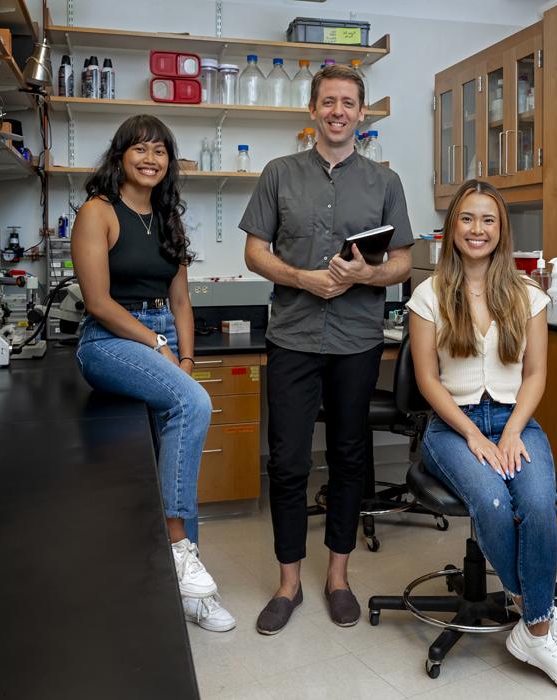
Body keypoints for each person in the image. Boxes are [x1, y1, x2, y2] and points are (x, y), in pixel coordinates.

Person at [240, 64, 413, 634]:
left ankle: (338, 577)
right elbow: (255, 253)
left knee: (348, 458)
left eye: (349, 103)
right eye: (329, 101)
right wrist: (302, 278)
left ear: (362, 114)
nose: (338, 111)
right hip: (291, 335)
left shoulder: (384, 183)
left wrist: (365, 276)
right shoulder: (279, 174)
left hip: (356, 341)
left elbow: (404, 263)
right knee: (287, 462)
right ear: (313, 110)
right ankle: (288, 584)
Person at [407, 179, 557, 695]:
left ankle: (531, 623)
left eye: (488, 220)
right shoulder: (428, 294)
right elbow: (427, 380)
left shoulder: (528, 295)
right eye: (467, 218)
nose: (477, 229)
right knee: (491, 501)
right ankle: (537, 622)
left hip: (515, 421)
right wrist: (473, 436)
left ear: (501, 230)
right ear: (453, 227)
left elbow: (535, 375)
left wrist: (511, 432)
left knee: (536, 503)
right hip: (452, 426)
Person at [73, 114, 236, 633]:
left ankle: (187, 587)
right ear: (120, 156)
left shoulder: (167, 217)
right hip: (109, 341)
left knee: (178, 429)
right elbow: (98, 303)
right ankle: (179, 550)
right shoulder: (98, 213)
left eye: (160, 151)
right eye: (140, 149)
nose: (150, 158)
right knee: (194, 404)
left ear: (169, 162)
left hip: (162, 336)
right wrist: (159, 345)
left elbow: (182, 300)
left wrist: (185, 360)